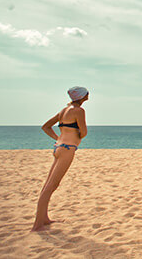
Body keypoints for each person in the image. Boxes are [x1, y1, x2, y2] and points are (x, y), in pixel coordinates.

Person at [31, 86, 89, 231]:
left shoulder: (64, 111)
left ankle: (44, 218)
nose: (88, 95)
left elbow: (46, 127)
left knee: (49, 185)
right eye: (87, 94)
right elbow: (84, 132)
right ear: (82, 96)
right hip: (68, 149)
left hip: (59, 147)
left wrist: (58, 138)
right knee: (51, 185)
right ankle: (38, 224)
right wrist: (76, 136)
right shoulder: (79, 111)